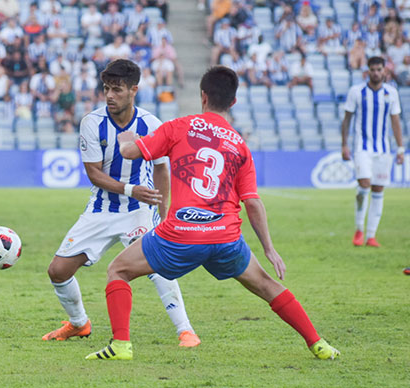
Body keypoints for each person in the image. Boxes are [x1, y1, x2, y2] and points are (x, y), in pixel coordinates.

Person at [85, 66, 340, 361]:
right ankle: (318, 343)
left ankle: (121, 345)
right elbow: (253, 203)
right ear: (233, 102)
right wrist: (269, 249)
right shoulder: (240, 145)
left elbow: (131, 152)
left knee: (118, 270)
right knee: (268, 285)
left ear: (202, 96)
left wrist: (125, 134)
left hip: (180, 234)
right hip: (225, 237)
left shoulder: (179, 127)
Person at [42, 59, 200, 348]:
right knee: (58, 271)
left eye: (117, 89)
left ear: (133, 90)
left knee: (157, 266)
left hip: (138, 212)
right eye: (106, 89)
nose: (110, 95)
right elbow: (93, 174)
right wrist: (131, 189)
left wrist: (163, 215)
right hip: (101, 209)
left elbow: (163, 168)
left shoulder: (151, 124)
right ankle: (79, 324)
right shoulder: (92, 122)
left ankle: (186, 331)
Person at [341, 56, 405, 247]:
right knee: (365, 184)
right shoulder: (356, 92)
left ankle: (371, 235)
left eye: (379, 69)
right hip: (362, 147)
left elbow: (395, 122)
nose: (376, 73)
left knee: (378, 188)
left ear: (384, 71)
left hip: (383, 150)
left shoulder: (391, 93)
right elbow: (347, 119)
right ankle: (359, 229)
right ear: (367, 71)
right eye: (373, 69)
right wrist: (345, 144)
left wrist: (400, 148)